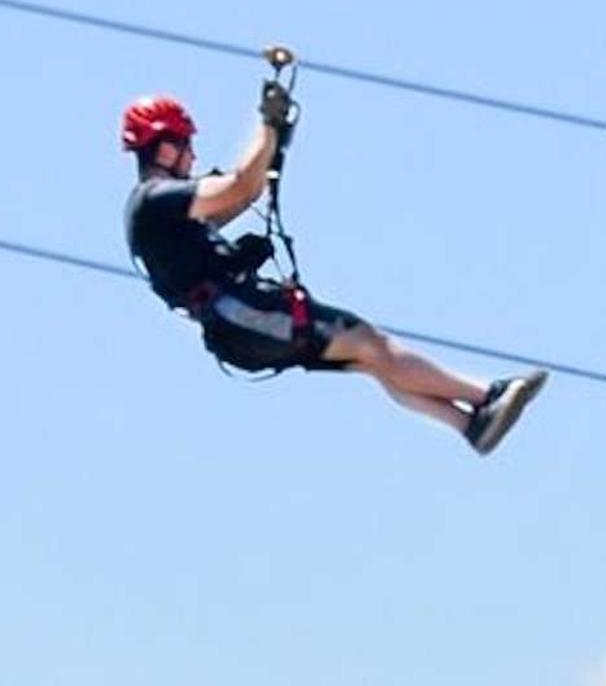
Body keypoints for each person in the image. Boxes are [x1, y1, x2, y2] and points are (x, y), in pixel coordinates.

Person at [119, 90, 542, 454]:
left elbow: (241, 195)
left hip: (239, 325)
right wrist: (267, 123)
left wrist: (275, 144)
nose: (193, 154)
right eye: (186, 144)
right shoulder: (155, 200)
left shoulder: (163, 215)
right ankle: (485, 398)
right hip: (240, 316)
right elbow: (240, 186)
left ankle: (468, 425)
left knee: (366, 354)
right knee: (364, 340)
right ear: (164, 148)